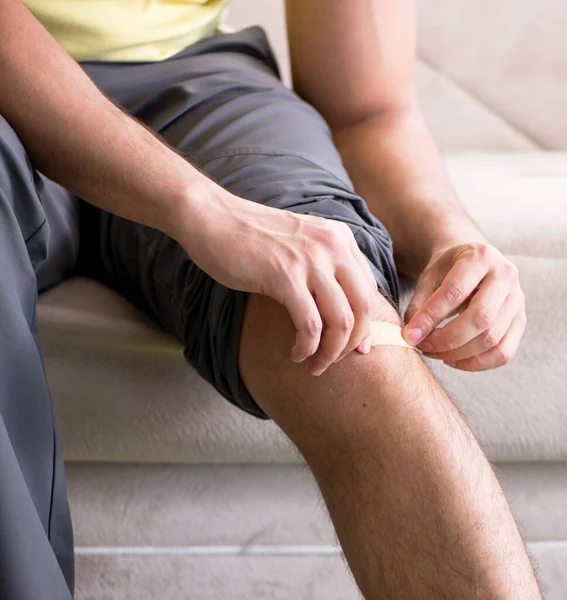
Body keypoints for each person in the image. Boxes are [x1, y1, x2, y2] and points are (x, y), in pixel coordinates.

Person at [0, 0, 541, 598]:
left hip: (196, 85)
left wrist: (452, 240)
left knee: (353, 341)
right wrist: (203, 209)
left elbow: (366, 110)